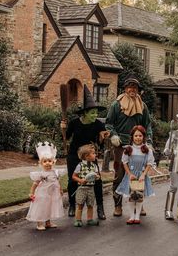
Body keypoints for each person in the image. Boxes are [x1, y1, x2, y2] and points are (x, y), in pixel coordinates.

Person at [106, 73, 153, 217]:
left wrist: (149, 140)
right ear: (125, 88)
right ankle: (118, 205)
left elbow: (148, 125)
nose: (132, 89)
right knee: (120, 176)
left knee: (139, 175)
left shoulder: (142, 106)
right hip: (121, 144)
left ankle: (139, 204)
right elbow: (108, 123)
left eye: (135, 87)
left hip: (138, 145)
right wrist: (113, 135)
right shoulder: (117, 104)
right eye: (129, 86)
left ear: (138, 90)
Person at [61, 85, 109, 219]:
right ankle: (72, 205)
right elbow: (65, 138)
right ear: (85, 113)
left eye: (96, 112)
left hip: (89, 156)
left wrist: (101, 137)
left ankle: (100, 207)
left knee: (97, 180)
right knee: (73, 180)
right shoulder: (74, 123)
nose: (95, 115)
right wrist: (63, 128)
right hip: (74, 155)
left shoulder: (99, 124)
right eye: (92, 112)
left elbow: (100, 143)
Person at [116, 125, 155, 224]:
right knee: (131, 197)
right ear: (132, 137)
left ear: (143, 137)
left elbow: (149, 164)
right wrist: (129, 174)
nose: (138, 138)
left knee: (139, 197)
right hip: (131, 176)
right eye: (136, 136)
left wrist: (143, 174)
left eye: (140, 136)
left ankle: (137, 216)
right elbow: (124, 163)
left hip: (141, 177)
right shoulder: (128, 149)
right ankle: (131, 216)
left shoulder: (147, 150)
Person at [26, 142, 66, 231]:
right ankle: (40, 223)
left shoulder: (55, 172)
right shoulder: (41, 174)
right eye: (45, 161)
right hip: (42, 194)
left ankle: (48, 222)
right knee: (42, 207)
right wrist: (31, 193)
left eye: (49, 161)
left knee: (50, 206)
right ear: (40, 163)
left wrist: (60, 189)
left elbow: (57, 181)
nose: (47, 163)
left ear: (53, 162)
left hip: (52, 193)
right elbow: (35, 184)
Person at [72, 144, 100, 227]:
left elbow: (97, 175)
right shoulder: (80, 165)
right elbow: (74, 176)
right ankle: (78, 220)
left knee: (90, 204)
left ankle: (89, 219)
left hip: (91, 188)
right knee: (80, 204)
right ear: (87, 156)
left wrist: (97, 177)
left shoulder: (94, 166)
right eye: (93, 153)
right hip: (82, 188)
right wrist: (80, 180)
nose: (95, 155)